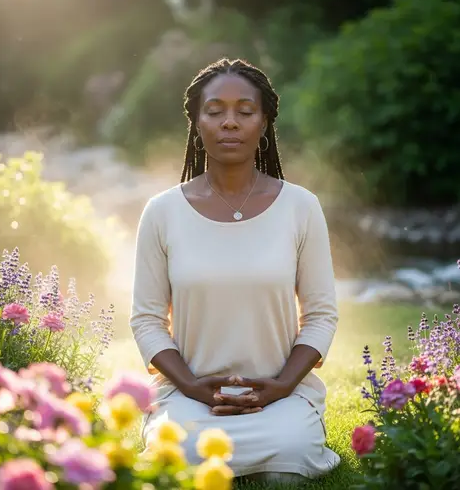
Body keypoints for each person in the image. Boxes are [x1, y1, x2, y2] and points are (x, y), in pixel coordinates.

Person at [129, 57, 341, 485]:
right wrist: (190, 385)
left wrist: (282, 386)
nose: (230, 122)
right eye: (215, 111)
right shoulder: (162, 212)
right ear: (196, 122)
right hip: (192, 398)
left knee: (289, 464)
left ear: (263, 123)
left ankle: (292, 423)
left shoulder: (301, 207)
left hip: (279, 397)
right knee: (184, 455)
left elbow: (321, 315)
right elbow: (147, 321)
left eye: (245, 112)